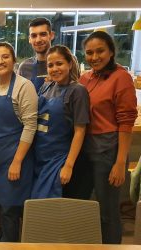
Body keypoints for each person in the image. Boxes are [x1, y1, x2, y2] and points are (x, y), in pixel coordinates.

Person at [64, 31, 137, 244]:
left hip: (108, 149)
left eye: (100, 51)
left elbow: (126, 122)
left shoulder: (121, 77)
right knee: (77, 202)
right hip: (83, 147)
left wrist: (120, 162)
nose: (94, 57)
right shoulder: (86, 78)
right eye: (89, 52)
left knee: (107, 210)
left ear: (111, 52)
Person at [0, 42, 37, 243]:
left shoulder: (24, 86)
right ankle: (0, 242)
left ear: (14, 61)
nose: (0, 61)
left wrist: (17, 162)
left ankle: (10, 245)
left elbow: (30, 126)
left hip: (12, 159)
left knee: (10, 209)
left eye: (5, 57)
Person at [31, 45, 89, 199]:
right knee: (34, 206)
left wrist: (68, 166)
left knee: (48, 209)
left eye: (59, 63)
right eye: (50, 65)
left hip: (58, 160)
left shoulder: (78, 91)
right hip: (39, 157)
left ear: (70, 64)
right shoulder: (45, 86)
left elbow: (80, 131)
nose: (54, 69)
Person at [17, 17, 55, 92]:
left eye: (43, 34)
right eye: (34, 36)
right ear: (29, 39)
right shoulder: (24, 67)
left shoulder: (64, 64)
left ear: (51, 35)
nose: (38, 40)